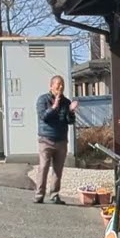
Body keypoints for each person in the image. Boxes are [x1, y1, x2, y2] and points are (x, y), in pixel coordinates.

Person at [34, 75, 78, 205]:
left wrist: (71, 112)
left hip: (61, 140)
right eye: (58, 84)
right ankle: (39, 194)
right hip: (46, 139)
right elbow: (44, 117)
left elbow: (70, 121)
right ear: (51, 86)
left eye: (62, 85)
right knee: (44, 167)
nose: (60, 87)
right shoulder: (43, 100)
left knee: (58, 169)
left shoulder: (66, 102)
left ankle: (54, 194)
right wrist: (54, 105)